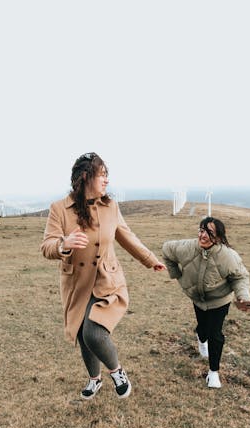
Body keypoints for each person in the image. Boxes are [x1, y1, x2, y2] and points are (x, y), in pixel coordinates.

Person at [40, 152, 166, 400]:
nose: (107, 180)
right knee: (81, 332)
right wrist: (63, 244)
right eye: (102, 175)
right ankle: (94, 380)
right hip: (77, 283)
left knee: (94, 333)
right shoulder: (59, 209)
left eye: (107, 175)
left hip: (107, 281)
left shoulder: (111, 207)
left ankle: (117, 372)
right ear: (86, 177)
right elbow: (47, 246)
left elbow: (127, 237)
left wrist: (150, 260)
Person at [162, 217, 250, 388]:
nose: (202, 235)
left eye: (209, 232)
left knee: (215, 334)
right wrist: (175, 273)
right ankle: (200, 336)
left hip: (220, 300)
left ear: (218, 237)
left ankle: (213, 373)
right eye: (201, 230)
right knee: (203, 329)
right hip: (197, 299)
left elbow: (240, 277)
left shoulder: (228, 256)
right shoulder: (186, 247)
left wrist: (243, 296)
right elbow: (166, 249)